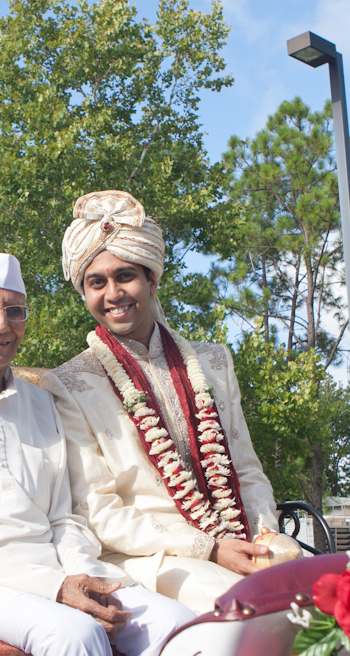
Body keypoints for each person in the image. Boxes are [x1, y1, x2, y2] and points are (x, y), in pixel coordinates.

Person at [0, 252, 195, 656]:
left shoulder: (42, 402)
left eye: (15, 312)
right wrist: (55, 586)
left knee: (174, 623)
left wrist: (86, 576)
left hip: (54, 568)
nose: (0, 325)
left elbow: (62, 519)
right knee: (74, 634)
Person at [40, 191, 279, 614]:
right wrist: (207, 547)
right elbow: (100, 511)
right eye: (97, 282)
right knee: (248, 606)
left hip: (241, 538)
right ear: (84, 293)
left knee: (334, 588)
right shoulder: (69, 383)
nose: (113, 293)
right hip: (153, 560)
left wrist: (263, 538)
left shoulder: (213, 362)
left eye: (125, 276)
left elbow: (246, 468)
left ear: (151, 279)